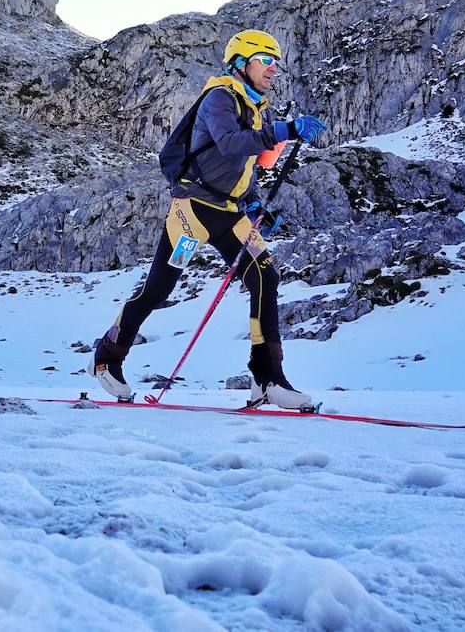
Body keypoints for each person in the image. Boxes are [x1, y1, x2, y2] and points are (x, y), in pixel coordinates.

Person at [92, 29, 327, 408]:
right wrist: (284, 129)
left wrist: (253, 204)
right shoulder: (219, 97)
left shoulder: (257, 107)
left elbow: (244, 167)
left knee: (265, 276)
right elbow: (229, 143)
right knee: (158, 290)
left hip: (231, 214)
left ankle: (268, 378)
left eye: (276, 62)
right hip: (193, 212)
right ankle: (107, 357)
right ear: (241, 63)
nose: (273, 68)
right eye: (266, 60)